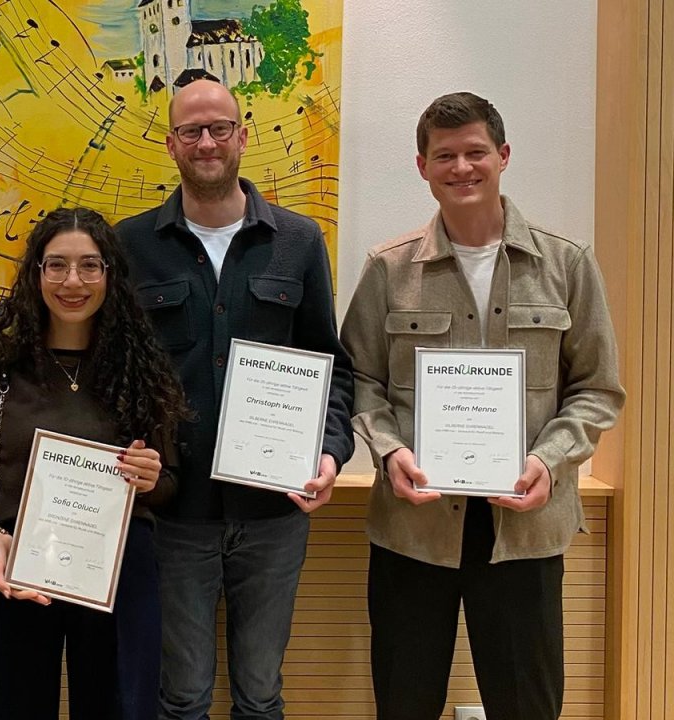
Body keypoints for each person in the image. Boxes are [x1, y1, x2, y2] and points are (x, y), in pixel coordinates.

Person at [340, 92, 625, 719]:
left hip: (525, 528)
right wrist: (389, 452)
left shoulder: (566, 263)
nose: (461, 168)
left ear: (503, 155)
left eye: (475, 152)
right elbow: (360, 379)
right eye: (445, 156)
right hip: (413, 530)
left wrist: (549, 462)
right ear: (422, 166)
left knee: (527, 704)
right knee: (405, 702)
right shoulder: (388, 270)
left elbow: (597, 388)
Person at [114, 79, 355, 719]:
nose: (207, 142)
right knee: (184, 696)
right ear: (171, 145)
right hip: (174, 514)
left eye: (220, 127)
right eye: (191, 131)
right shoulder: (130, 244)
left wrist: (330, 454)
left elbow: (329, 367)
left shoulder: (299, 242)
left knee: (260, 694)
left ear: (243, 136)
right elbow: (116, 371)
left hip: (274, 513)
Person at [0, 207, 187, 720]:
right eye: (56, 266)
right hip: (20, 568)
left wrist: (150, 478)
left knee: (120, 707)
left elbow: (169, 484)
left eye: (90, 266)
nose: (73, 281)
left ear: (110, 276)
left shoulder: (140, 363)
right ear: (36, 274)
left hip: (119, 572)